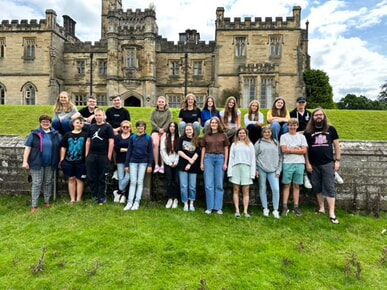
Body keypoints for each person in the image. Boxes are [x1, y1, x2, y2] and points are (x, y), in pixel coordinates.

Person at [304, 108, 341, 224]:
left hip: (327, 163)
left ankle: (332, 213)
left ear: (324, 116)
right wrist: (308, 163)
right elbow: (306, 149)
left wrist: (337, 160)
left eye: (320, 115)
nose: (318, 117)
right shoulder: (308, 131)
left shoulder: (331, 129)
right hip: (314, 164)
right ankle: (321, 208)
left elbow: (337, 145)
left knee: (329, 187)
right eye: (316, 115)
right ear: (313, 117)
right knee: (316, 186)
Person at [22, 115, 62, 213]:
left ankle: (46, 201)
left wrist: (61, 160)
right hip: (37, 163)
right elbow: (28, 148)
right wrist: (25, 161)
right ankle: (34, 205)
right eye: (43, 121)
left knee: (48, 182)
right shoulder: (34, 134)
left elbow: (61, 148)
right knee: (37, 183)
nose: (45, 123)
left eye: (47, 121)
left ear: (50, 123)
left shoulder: (56, 134)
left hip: (50, 163)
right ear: (40, 123)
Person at [200, 117, 229, 215]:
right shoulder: (206, 135)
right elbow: (203, 149)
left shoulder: (223, 135)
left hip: (220, 158)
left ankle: (218, 207)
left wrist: (225, 162)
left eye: (215, 123)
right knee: (209, 184)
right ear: (209, 124)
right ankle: (210, 207)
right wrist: (202, 162)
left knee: (219, 184)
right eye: (212, 123)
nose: (213, 124)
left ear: (218, 124)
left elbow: (226, 149)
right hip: (208, 158)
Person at [85, 108, 114, 204]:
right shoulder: (91, 127)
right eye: (96, 115)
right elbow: (88, 140)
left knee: (102, 177)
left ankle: (102, 196)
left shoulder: (107, 127)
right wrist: (86, 154)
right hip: (92, 155)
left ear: (103, 116)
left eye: (100, 115)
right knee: (91, 176)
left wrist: (109, 156)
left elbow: (111, 141)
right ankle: (94, 195)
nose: (98, 117)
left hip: (103, 154)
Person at [280, 118, 308, 217]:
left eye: (294, 125)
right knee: (286, 185)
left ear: (297, 126)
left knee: (296, 185)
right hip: (288, 162)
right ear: (288, 126)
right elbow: (284, 150)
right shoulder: (284, 137)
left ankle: (296, 206)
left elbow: (304, 151)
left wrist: (291, 149)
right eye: (290, 125)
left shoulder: (301, 137)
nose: (292, 127)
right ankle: (284, 206)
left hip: (300, 163)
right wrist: (297, 149)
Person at [123, 120, 154, 211]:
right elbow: (129, 151)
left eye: (142, 126)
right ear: (136, 128)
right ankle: (129, 202)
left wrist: (150, 164)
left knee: (140, 182)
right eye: (138, 126)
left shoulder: (148, 138)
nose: (140, 128)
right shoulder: (133, 137)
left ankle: (137, 202)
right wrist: (126, 164)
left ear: (144, 128)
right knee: (133, 182)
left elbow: (151, 152)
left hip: (143, 162)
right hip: (133, 162)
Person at [254, 126, 282, 219]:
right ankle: (265, 208)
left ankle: (275, 209)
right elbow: (253, 157)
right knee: (262, 188)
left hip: (273, 170)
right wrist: (256, 169)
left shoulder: (276, 143)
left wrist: (278, 170)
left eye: (269, 132)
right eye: (265, 132)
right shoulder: (258, 143)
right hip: (261, 168)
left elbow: (280, 157)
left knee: (276, 189)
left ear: (271, 133)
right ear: (262, 133)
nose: (267, 134)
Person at [227, 127, 255, 218]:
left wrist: (252, 173)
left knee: (246, 190)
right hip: (236, 167)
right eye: (240, 133)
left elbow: (253, 159)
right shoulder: (234, 144)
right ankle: (237, 210)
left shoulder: (250, 145)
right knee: (236, 189)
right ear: (237, 134)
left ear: (246, 134)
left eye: (243, 133)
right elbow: (231, 158)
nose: (242, 134)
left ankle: (245, 210)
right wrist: (230, 172)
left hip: (246, 168)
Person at [59, 116, 88, 204]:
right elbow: (63, 147)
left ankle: (79, 198)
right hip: (69, 161)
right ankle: (72, 199)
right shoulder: (67, 135)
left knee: (79, 180)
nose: (79, 124)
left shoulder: (85, 135)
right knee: (71, 179)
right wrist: (62, 159)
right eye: (77, 122)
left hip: (81, 161)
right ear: (73, 124)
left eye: (81, 123)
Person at [177, 123, 201, 212]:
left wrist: (190, 163)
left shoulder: (197, 140)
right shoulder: (181, 139)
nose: (188, 131)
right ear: (185, 131)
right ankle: (185, 203)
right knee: (183, 185)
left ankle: (191, 203)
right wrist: (188, 159)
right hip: (182, 164)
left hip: (193, 166)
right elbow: (179, 151)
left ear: (193, 130)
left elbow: (198, 152)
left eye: (190, 129)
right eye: (187, 130)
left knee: (192, 186)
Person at [160, 122, 180, 209]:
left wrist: (175, 161)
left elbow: (179, 150)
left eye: (174, 126)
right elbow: (162, 150)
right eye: (170, 126)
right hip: (168, 162)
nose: (172, 128)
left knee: (176, 180)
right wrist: (169, 162)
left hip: (176, 162)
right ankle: (169, 198)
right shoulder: (165, 137)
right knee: (169, 181)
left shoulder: (179, 137)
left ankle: (175, 198)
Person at [150, 96, 172, 174]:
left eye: (162, 102)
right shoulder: (153, 112)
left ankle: (162, 165)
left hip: (165, 131)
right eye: (159, 102)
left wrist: (163, 129)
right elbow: (152, 121)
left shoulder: (168, 112)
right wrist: (158, 129)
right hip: (155, 131)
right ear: (157, 103)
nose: (161, 103)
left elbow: (169, 121)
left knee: (163, 144)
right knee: (155, 144)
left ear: (165, 103)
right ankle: (156, 164)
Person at [113, 120, 132, 203]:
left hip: (130, 160)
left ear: (130, 128)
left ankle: (118, 192)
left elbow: (133, 148)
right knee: (121, 177)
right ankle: (122, 195)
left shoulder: (133, 137)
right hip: (120, 159)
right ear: (121, 128)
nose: (125, 128)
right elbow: (116, 147)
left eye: (127, 127)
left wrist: (123, 150)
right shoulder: (117, 137)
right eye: (123, 127)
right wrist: (125, 149)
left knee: (128, 177)